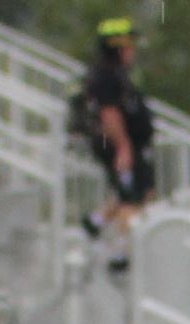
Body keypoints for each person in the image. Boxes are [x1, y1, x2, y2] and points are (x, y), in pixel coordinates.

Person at [78, 18, 153, 245]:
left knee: (140, 192)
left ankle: (95, 222)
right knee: (130, 199)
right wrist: (123, 147)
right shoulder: (105, 75)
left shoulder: (118, 73)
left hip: (130, 146)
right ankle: (122, 254)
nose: (132, 51)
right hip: (117, 146)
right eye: (129, 45)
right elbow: (109, 114)